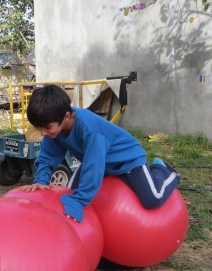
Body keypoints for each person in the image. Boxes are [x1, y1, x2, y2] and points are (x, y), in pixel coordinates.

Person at [20, 84, 180, 223]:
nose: (42, 133)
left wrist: (80, 200)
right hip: (98, 160)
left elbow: (93, 166)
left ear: (66, 116)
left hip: (127, 160)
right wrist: (41, 180)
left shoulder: (89, 129)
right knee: (69, 191)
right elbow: (47, 156)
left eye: (47, 127)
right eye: (38, 127)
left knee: (153, 199)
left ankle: (164, 170)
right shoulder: (54, 126)